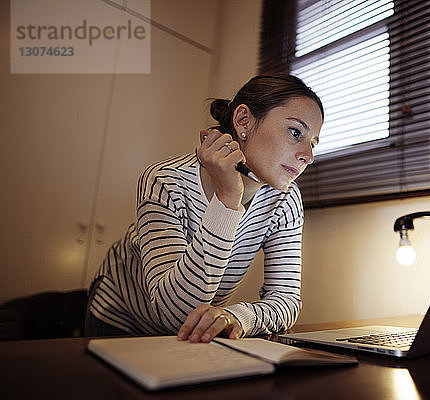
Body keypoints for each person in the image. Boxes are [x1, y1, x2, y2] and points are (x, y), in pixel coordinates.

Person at [84, 74, 324, 343]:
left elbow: (286, 301)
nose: (309, 156)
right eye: (295, 133)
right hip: (120, 318)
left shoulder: (285, 199)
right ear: (243, 121)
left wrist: (238, 317)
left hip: (191, 336)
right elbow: (176, 314)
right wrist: (227, 200)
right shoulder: (165, 181)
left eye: (313, 143)